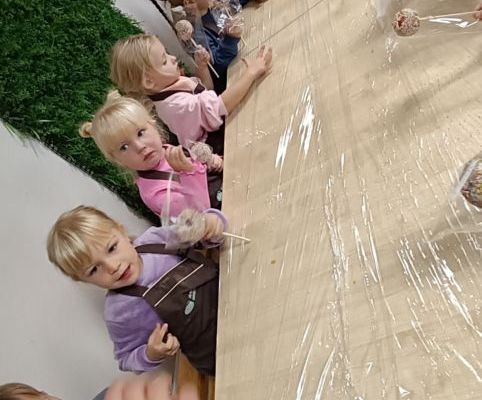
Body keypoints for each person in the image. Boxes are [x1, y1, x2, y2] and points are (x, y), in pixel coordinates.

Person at [47, 206, 227, 376]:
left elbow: (202, 234)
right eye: (94, 270)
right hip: (217, 353)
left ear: (122, 232)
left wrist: (209, 224)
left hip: (230, 291)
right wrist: (151, 354)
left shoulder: (155, 240)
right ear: (83, 280)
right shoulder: (119, 313)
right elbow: (125, 359)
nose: (113, 266)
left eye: (112, 248)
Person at [109, 34, 272, 155]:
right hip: (222, 145)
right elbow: (219, 107)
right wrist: (251, 73)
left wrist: (202, 68)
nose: (173, 58)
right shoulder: (174, 106)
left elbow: (206, 91)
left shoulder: (170, 85)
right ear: (149, 82)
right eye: (164, 60)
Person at [80, 91, 223, 217]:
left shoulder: (165, 150)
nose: (140, 147)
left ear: (153, 124)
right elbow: (200, 214)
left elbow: (199, 163)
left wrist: (211, 161)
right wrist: (188, 172)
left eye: (140, 133)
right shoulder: (155, 194)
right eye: (124, 147)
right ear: (117, 159)